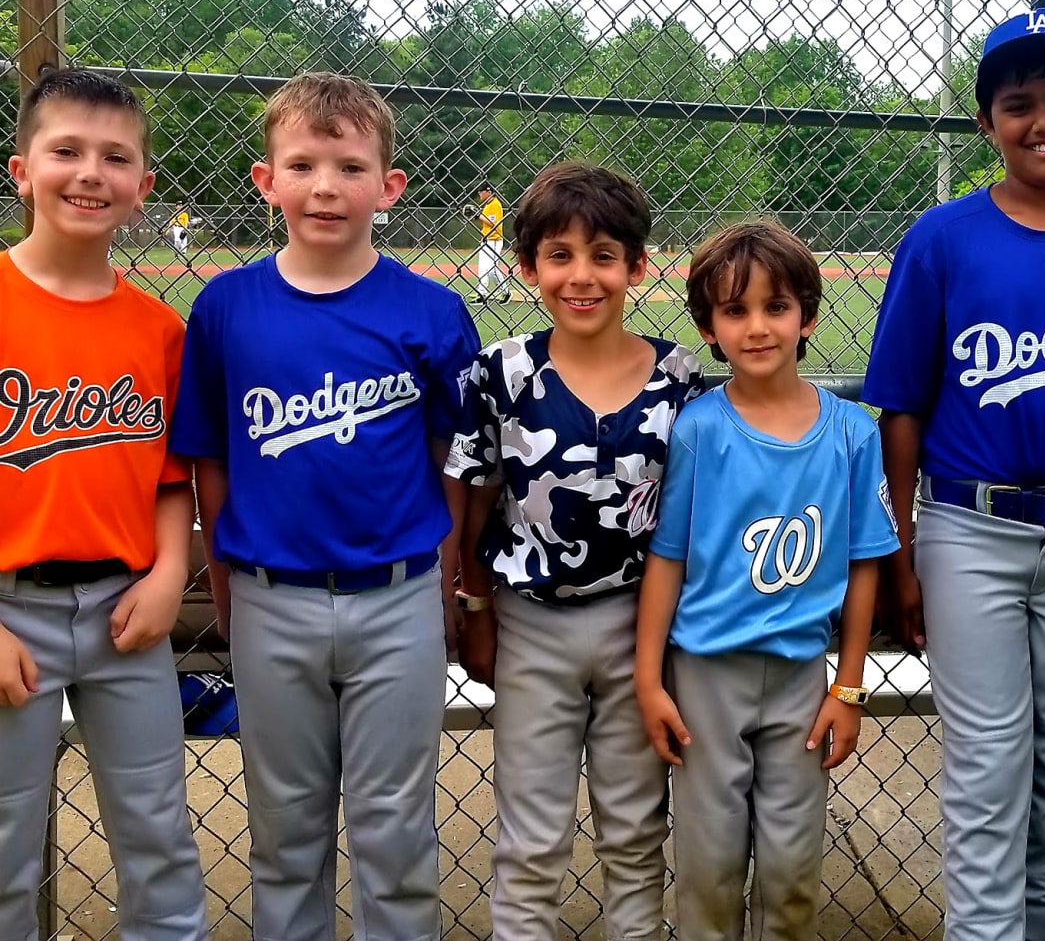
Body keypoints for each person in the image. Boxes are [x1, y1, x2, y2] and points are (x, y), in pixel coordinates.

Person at [862, 8, 1045, 941]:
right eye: (1019, 102)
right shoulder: (944, 238)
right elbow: (903, 407)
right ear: (988, 121)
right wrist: (906, 552)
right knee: (990, 768)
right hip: (967, 525)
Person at [169, 71, 480, 940]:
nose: (325, 187)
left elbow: (450, 456)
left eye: (348, 166)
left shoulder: (431, 310)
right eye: (301, 164)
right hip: (272, 594)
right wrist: (225, 576)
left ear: (388, 186)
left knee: (395, 831)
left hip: (397, 595)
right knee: (286, 830)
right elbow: (212, 460)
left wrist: (445, 577)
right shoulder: (227, 306)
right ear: (266, 181)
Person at [446, 160, 703, 941]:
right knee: (532, 832)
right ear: (528, 267)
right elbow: (476, 494)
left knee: (633, 825)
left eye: (603, 256)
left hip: (640, 624)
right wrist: (474, 604)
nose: (581, 275)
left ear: (637, 267)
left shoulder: (678, 376)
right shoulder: (503, 371)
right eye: (559, 254)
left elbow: (693, 513)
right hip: (531, 622)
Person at [635, 221, 899, 941]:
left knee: (791, 871)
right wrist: (649, 678)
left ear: (808, 315)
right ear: (709, 328)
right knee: (708, 865)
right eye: (735, 310)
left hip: (801, 683)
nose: (757, 326)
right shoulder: (698, 428)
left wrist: (849, 685)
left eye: (776, 307)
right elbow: (668, 557)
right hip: (704, 677)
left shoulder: (852, 433)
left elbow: (863, 562)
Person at [0, 69, 208, 940]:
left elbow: (170, 478)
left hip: (129, 610)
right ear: (21, 171)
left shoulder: (158, 329)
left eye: (115, 157)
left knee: (158, 831)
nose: (90, 172)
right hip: (11, 611)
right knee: (6, 838)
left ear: (142, 187)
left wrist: (169, 574)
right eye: (67, 151)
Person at [474, 181, 510, 303]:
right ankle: (482, 294)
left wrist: (478, 215)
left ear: (489, 192)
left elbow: (493, 223)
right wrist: (477, 216)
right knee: (482, 269)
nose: (479, 194)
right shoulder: (488, 204)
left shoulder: (495, 204)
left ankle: (505, 292)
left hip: (494, 240)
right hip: (486, 239)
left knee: (491, 269)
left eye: (481, 192)